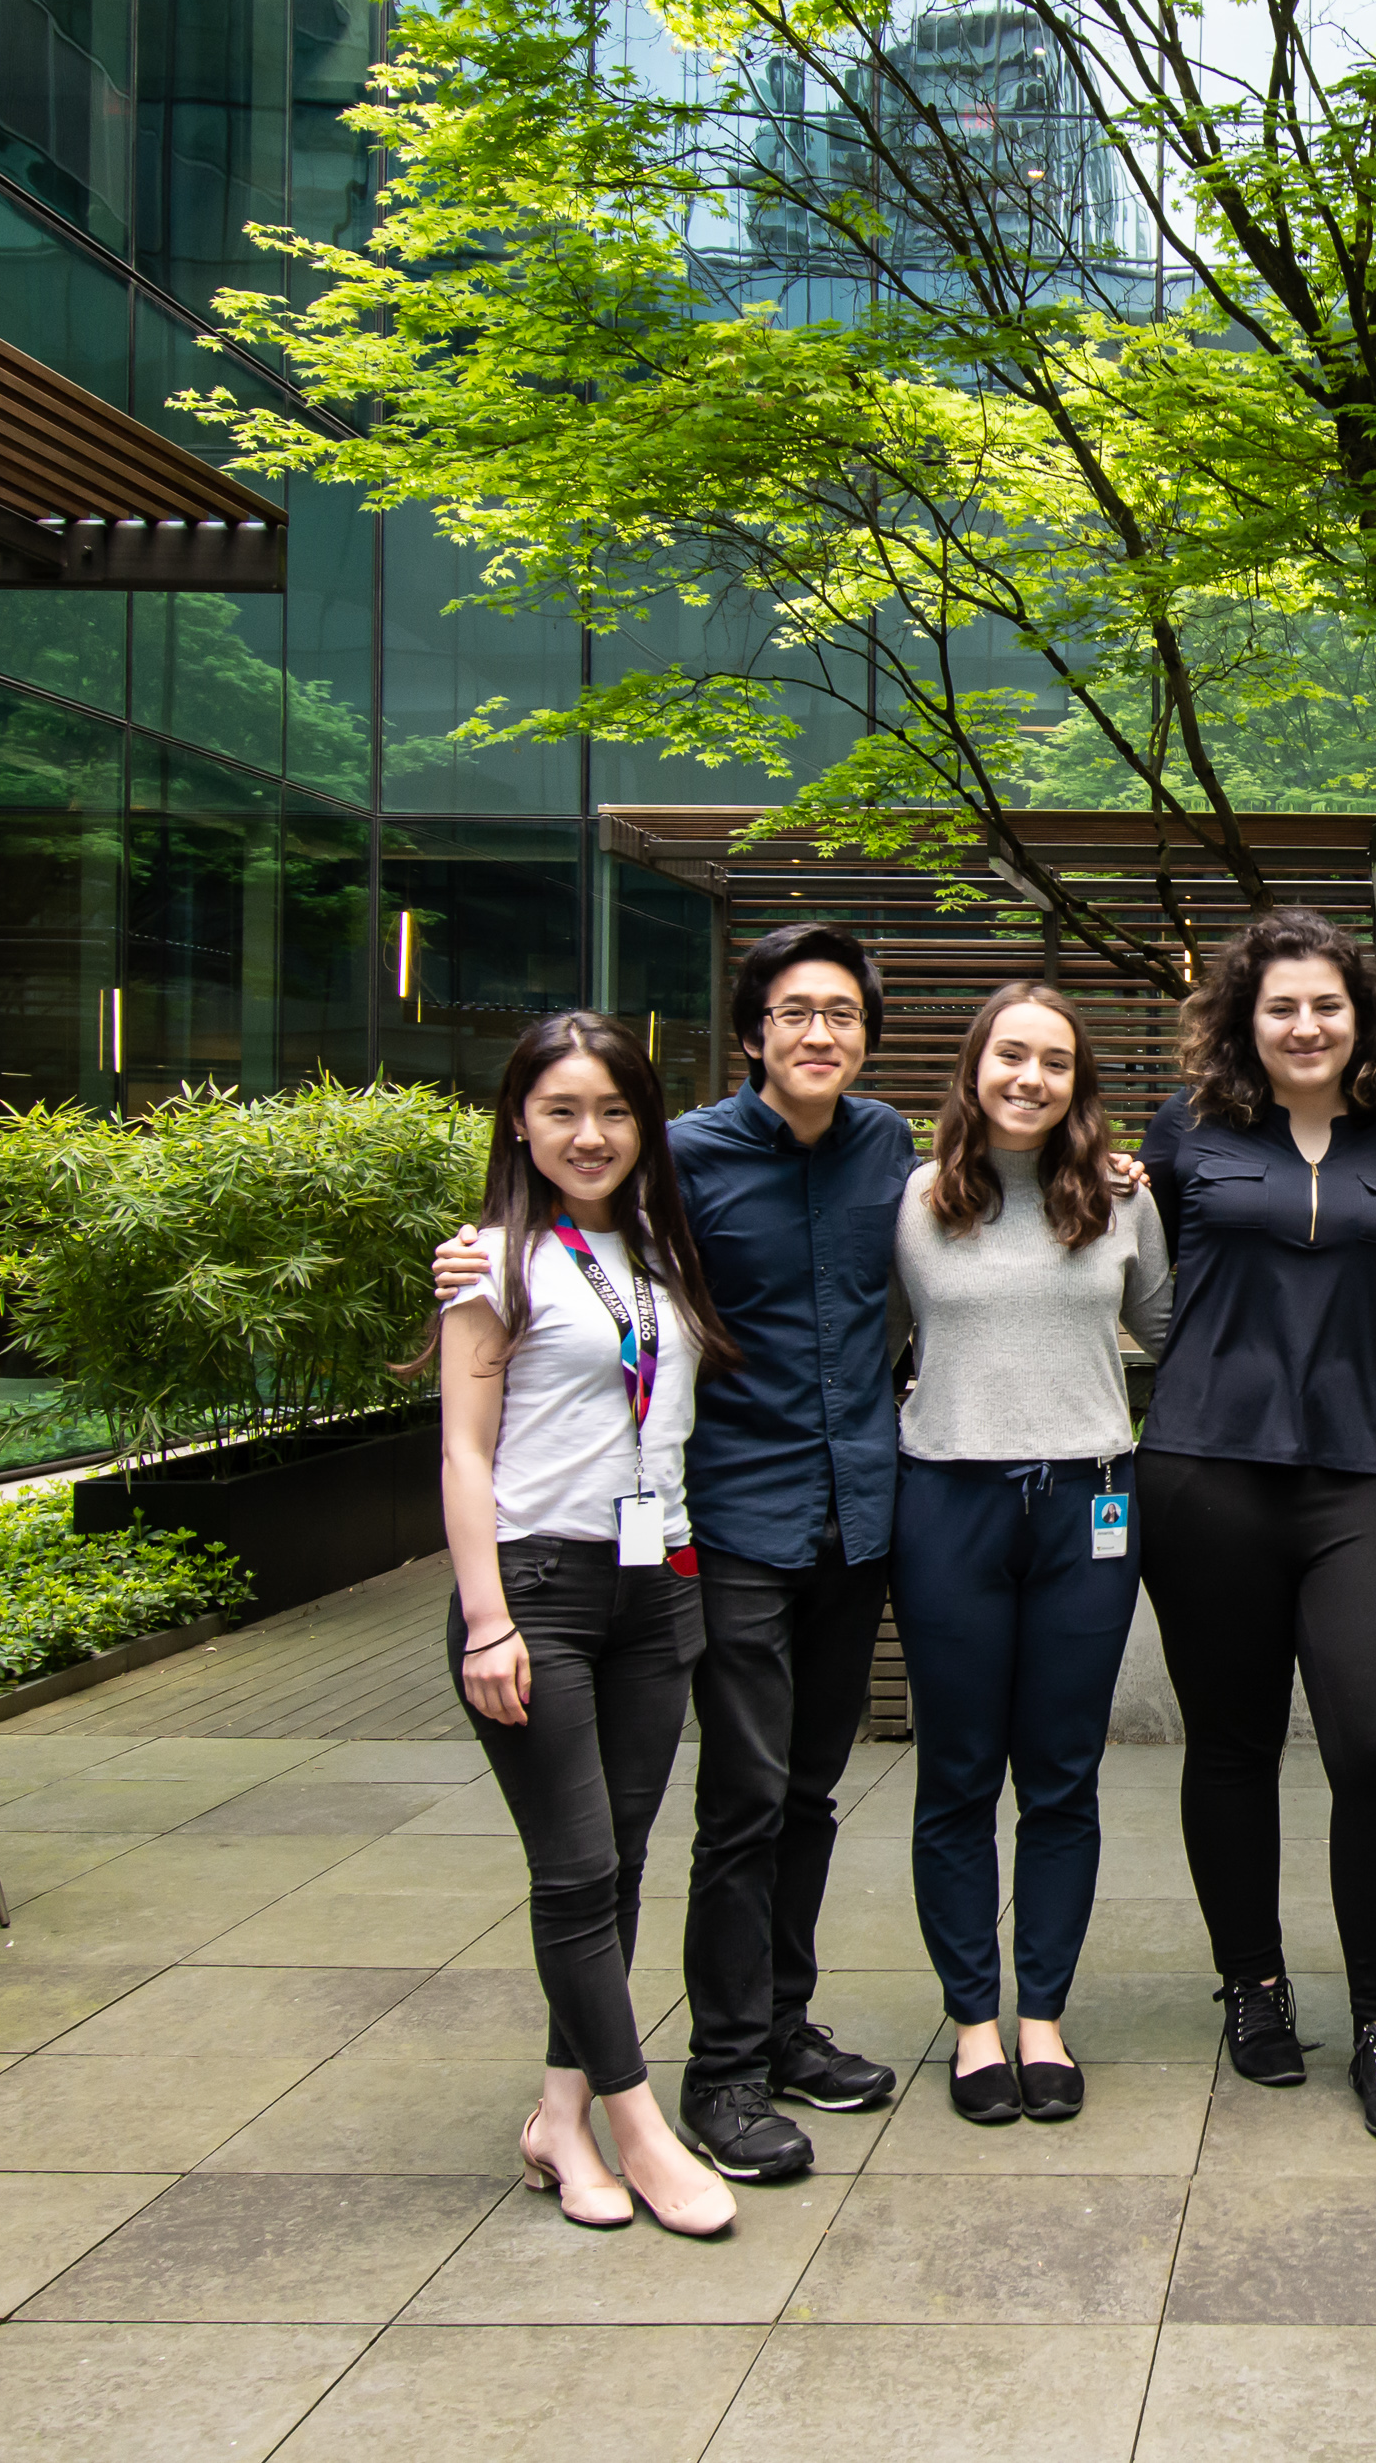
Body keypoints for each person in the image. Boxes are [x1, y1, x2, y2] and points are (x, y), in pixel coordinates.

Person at [433, 922, 908, 2184]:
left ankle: (786, 2023)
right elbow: (562, 1232)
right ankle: (725, 2072)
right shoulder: (680, 1158)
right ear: (753, 1032)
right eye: (796, 1013)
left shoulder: (887, 1146)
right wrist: (473, 1249)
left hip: (857, 1520)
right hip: (728, 1527)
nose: (821, 1035)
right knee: (742, 1803)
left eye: (844, 1015)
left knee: (811, 1792)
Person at [1136, 906, 1376, 2141]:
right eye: (1281, 1007)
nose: (1305, 1025)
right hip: (1204, 1473)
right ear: (1243, 1023)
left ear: (1357, 1016)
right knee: (1232, 1747)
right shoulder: (1184, 1131)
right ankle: (1253, 1990)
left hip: (1361, 1476)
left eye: (1326, 1004)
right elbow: (1104, 1249)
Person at [432, 1011, 740, 2240]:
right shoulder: (492, 1261)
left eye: (613, 1111)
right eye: (562, 1110)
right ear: (520, 1121)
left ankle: (556, 2121)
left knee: (618, 1867)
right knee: (572, 1874)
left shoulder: (662, 1249)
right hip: (535, 1595)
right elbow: (460, 1451)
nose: (590, 1134)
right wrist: (485, 1621)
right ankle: (637, 2123)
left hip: (656, 1584)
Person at [892, 981, 1171, 2125]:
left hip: (1089, 1511)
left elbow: (1172, 1332)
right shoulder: (911, 1201)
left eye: (1055, 1063)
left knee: (1061, 1776)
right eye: (1011, 1055)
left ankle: (1043, 2015)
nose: (1030, 1079)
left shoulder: (1115, 1202)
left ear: (1078, 1085)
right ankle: (972, 2024)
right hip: (947, 1504)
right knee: (957, 1776)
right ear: (974, 1066)